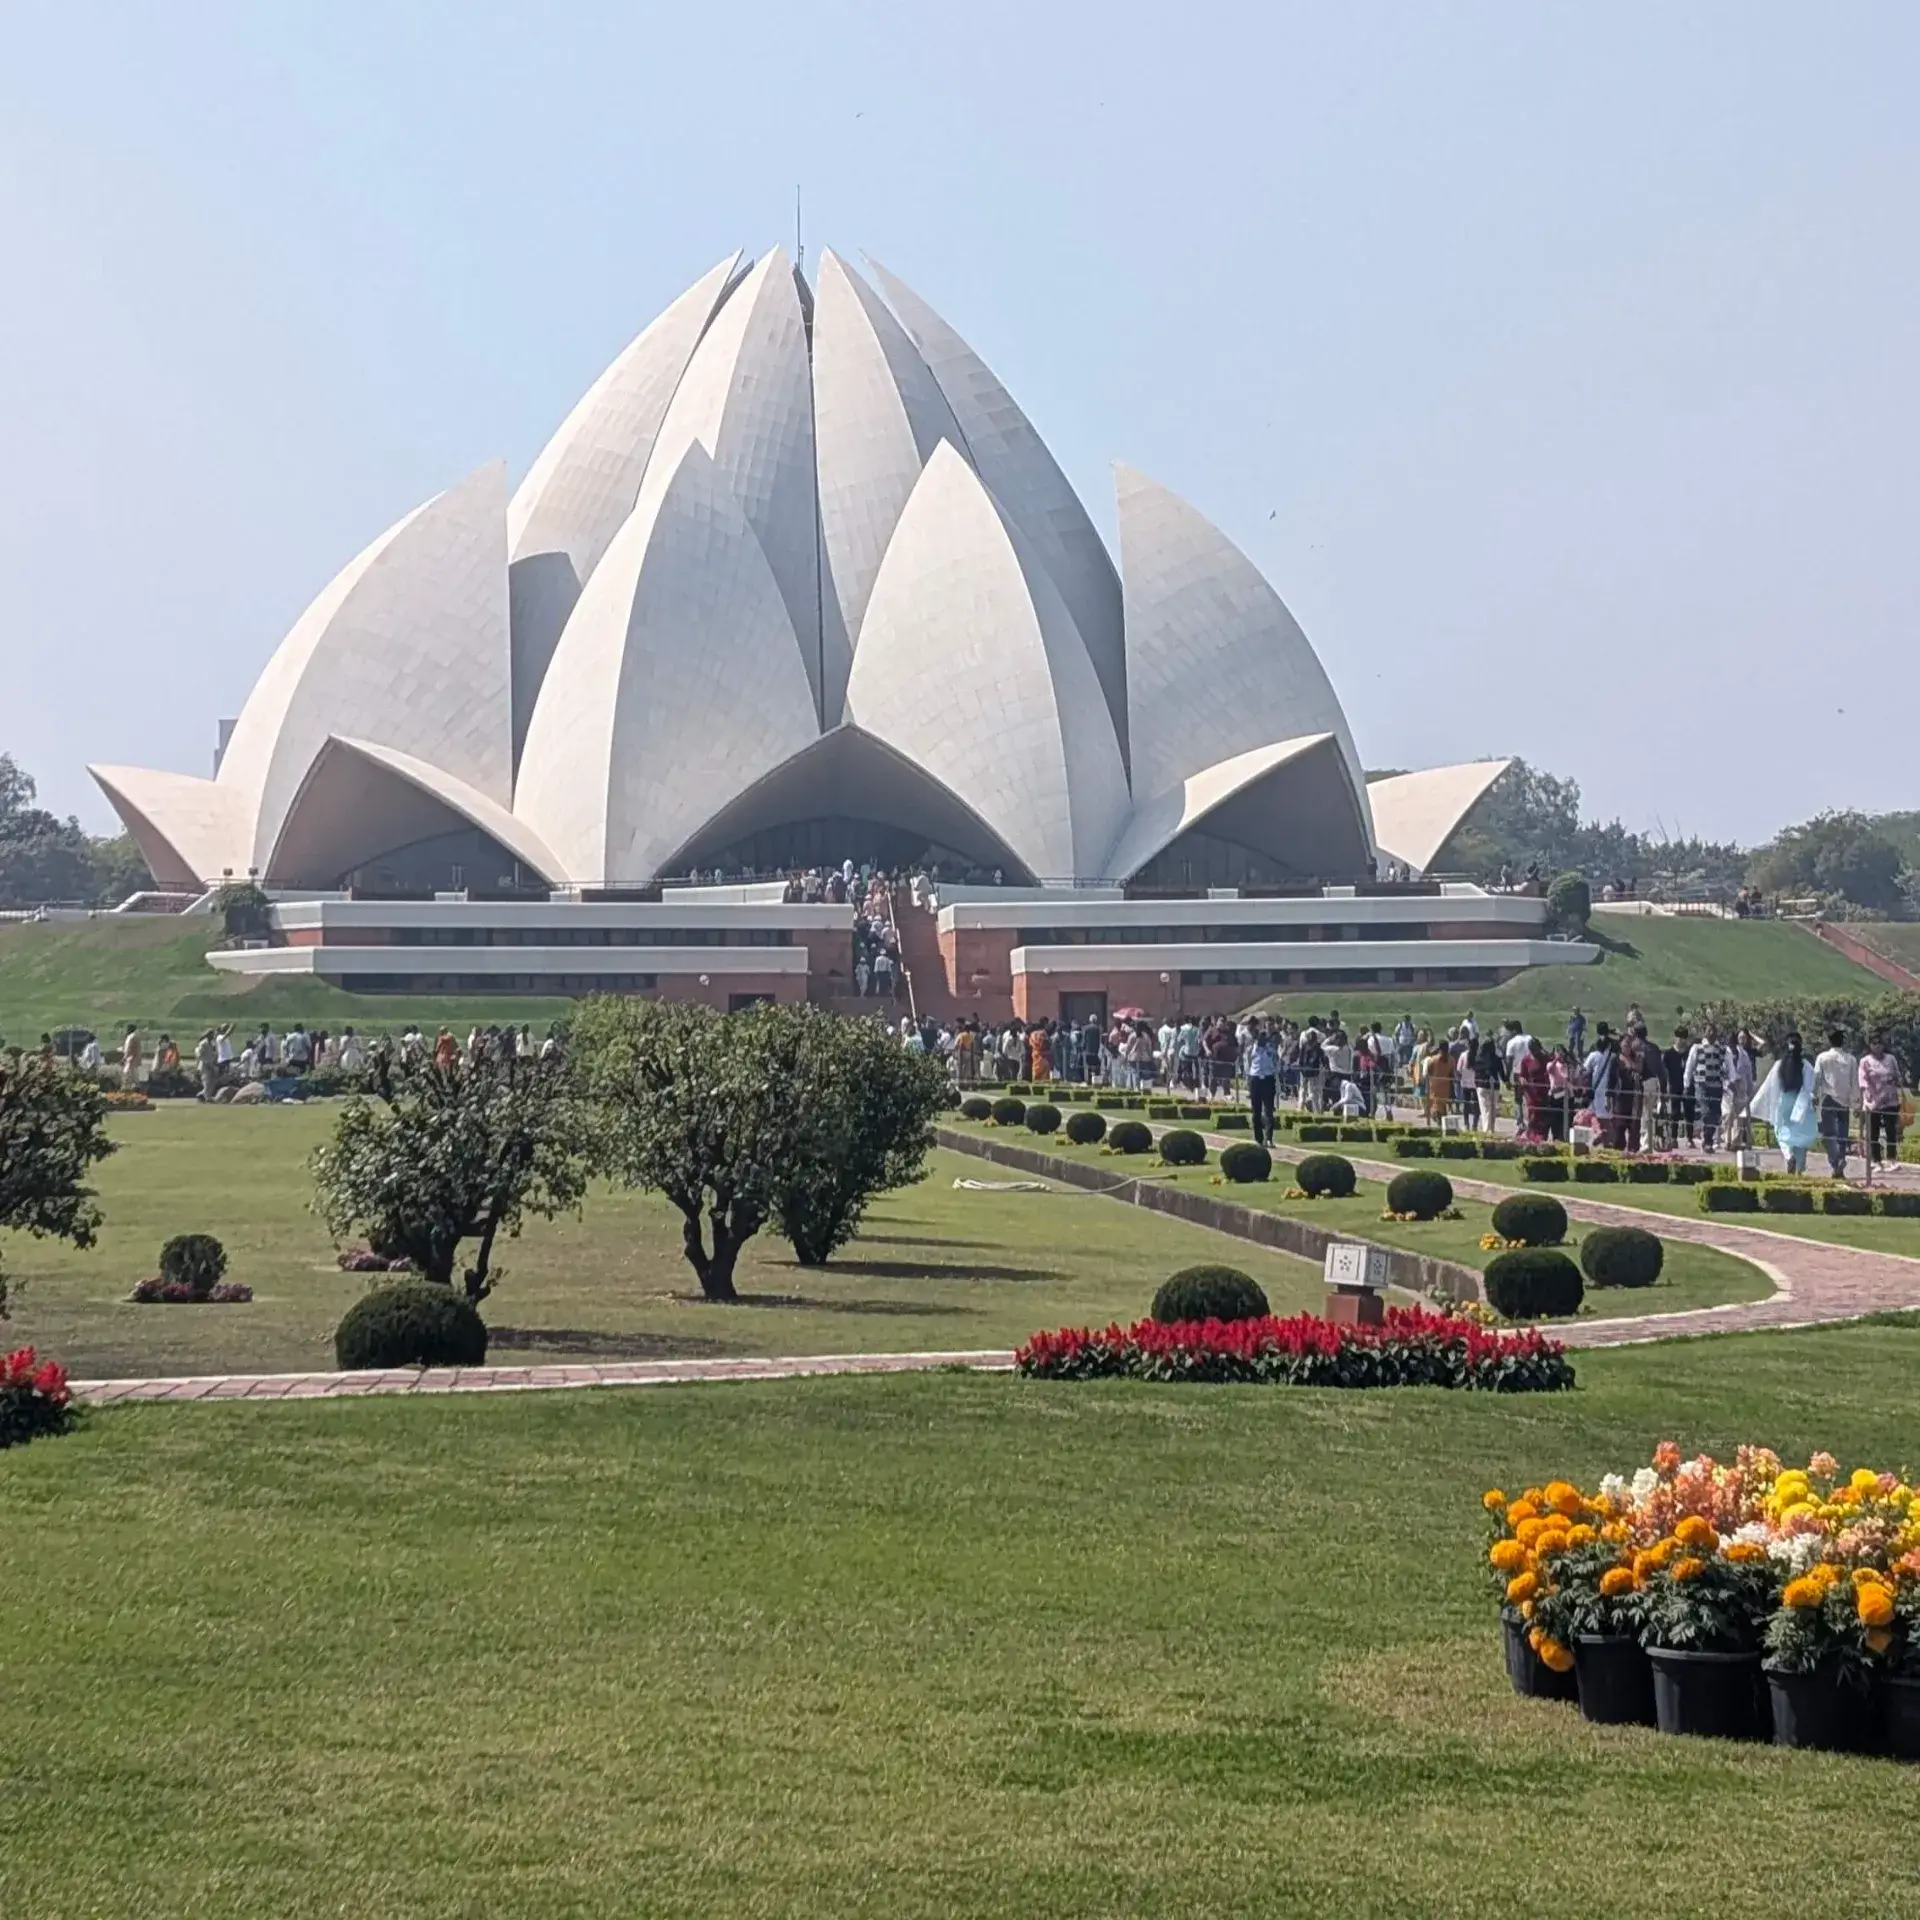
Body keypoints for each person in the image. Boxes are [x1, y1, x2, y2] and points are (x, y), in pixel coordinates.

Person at [1750, 1032, 1818, 1175]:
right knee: (1801, 1135)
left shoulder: (1779, 1065)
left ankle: (1789, 1156)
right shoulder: (1806, 1066)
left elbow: (1769, 1086)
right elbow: (1810, 1087)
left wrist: (1756, 1106)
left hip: (1784, 1101)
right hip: (1800, 1102)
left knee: (1782, 1133)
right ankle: (1800, 1168)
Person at [1812, 1028, 1858, 1178]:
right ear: (1842, 1041)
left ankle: (1835, 1163)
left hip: (1829, 1098)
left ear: (1829, 1041)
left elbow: (1817, 1078)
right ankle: (1841, 1159)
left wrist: (1813, 1095)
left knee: (1829, 1134)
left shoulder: (1823, 1057)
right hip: (1844, 1101)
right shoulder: (1851, 1059)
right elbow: (1855, 1083)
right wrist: (1856, 1103)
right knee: (1842, 1134)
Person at [1859, 1037, 1905, 1170]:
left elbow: (1897, 1075)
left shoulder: (1890, 1059)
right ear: (1870, 1046)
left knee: (1891, 1130)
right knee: (1874, 1132)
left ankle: (1892, 1159)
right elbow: (1862, 1079)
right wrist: (1867, 1092)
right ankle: (1876, 1160)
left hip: (1890, 1100)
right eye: (1874, 1044)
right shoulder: (1865, 1061)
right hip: (1873, 1101)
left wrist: (1896, 1080)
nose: (1877, 1046)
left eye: (1879, 1043)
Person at [1245, 1019, 1278, 1146]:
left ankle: (1269, 1138)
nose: (1262, 1041)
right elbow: (1247, 1065)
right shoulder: (1251, 1050)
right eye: (1260, 1038)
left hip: (1268, 1079)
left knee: (1269, 1110)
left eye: (1264, 1038)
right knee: (1256, 1111)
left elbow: (1276, 1061)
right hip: (1256, 1079)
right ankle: (1258, 1138)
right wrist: (1248, 1080)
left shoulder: (1271, 1050)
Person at [120, 1025, 143, 1090]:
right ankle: (135, 1086)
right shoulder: (134, 1036)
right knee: (133, 1074)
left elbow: (129, 1049)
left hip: (131, 1059)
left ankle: (129, 1088)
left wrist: (124, 1058)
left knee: (128, 1073)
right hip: (133, 1058)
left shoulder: (131, 1037)